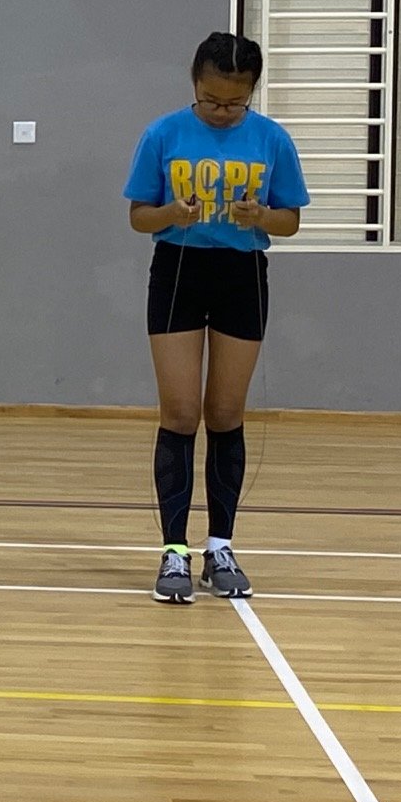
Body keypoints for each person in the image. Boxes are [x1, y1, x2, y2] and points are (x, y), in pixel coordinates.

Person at [126, 32, 307, 604]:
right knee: (181, 412)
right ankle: (174, 552)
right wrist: (171, 212)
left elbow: (290, 223)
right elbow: (138, 218)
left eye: (234, 102)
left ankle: (221, 546)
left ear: (252, 92)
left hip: (242, 276)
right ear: (194, 87)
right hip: (178, 269)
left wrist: (262, 215)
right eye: (211, 100)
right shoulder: (163, 133)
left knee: (225, 411)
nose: (222, 111)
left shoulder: (272, 140)